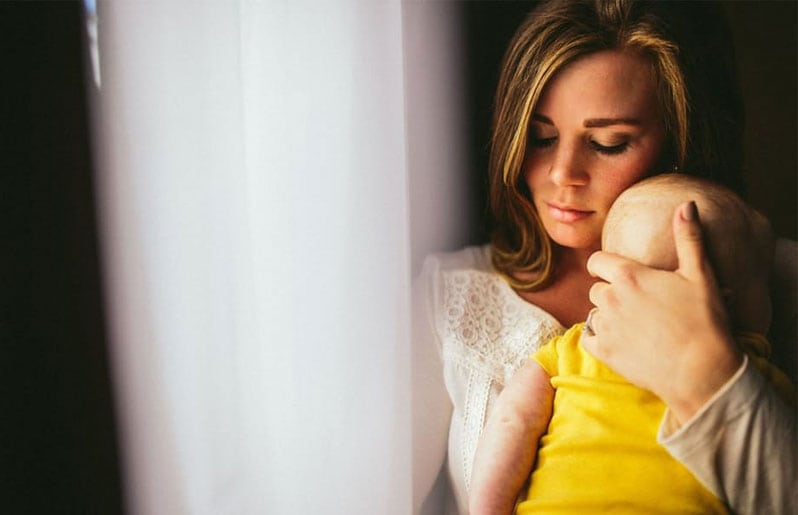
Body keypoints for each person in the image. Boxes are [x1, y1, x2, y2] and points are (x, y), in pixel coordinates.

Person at [412, 1, 796, 514]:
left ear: (677, 140)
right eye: (540, 137)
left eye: (608, 143)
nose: (562, 172)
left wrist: (708, 377)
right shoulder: (451, 296)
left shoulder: (778, 281)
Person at [468, 174, 796, 515]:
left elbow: (512, 420)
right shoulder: (755, 381)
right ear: (725, 302)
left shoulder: (574, 349)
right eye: (764, 283)